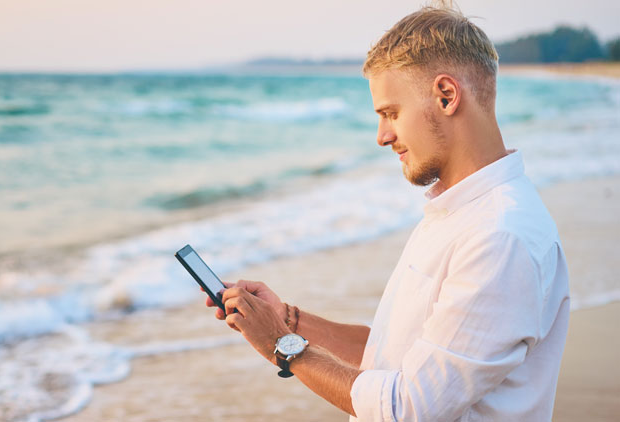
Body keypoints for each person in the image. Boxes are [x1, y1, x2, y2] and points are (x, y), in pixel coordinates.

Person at [206, 3, 570, 421]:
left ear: (446, 96)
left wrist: (282, 347)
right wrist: (289, 321)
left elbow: (409, 406)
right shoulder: (458, 212)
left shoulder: (500, 238)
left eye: (391, 113)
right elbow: (395, 358)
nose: (382, 136)